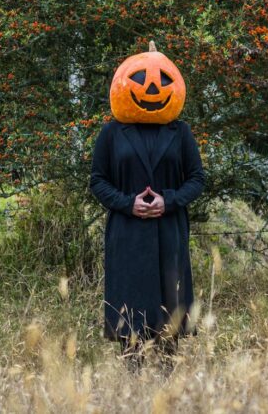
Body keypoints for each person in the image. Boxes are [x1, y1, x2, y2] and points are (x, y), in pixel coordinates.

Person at [88, 45, 206, 370]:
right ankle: (133, 381)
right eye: (141, 80)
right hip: (128, 234)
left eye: (161, 81)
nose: (152, 88)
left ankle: (168, 377)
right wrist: (128, 203)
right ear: (125, 85)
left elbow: (196, 178)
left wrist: (170, 200)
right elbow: (98, 181)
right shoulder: (112, 133)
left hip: (170, 232)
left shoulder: (180, 132)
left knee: (171, 309)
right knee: (132, 311)